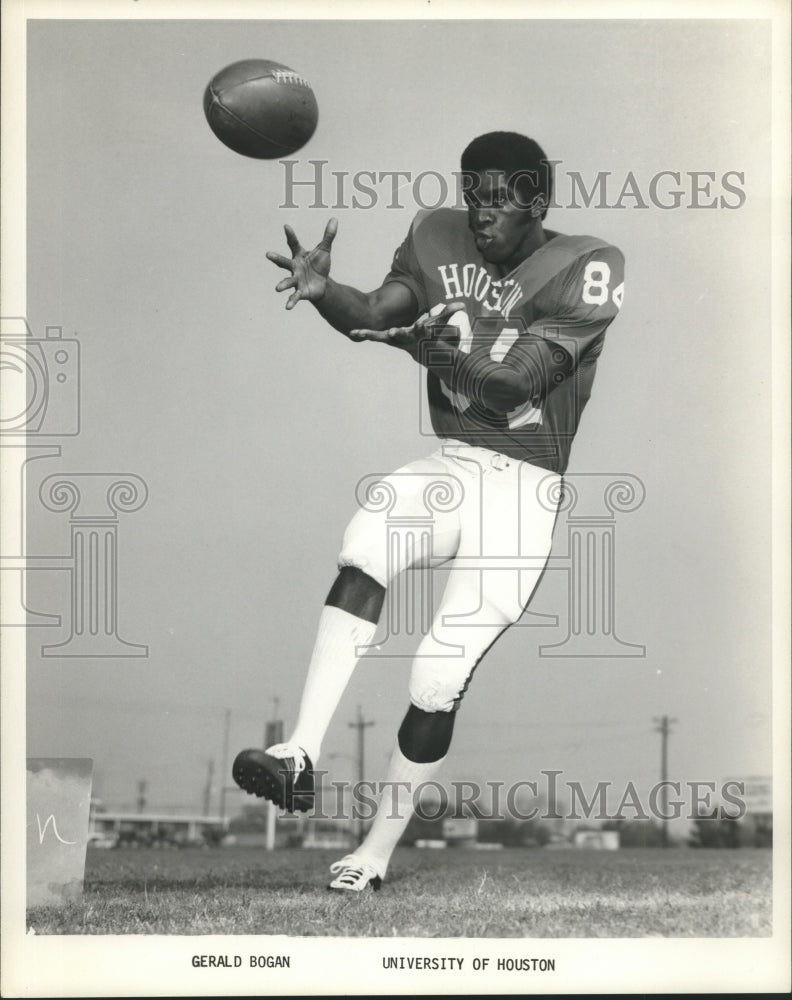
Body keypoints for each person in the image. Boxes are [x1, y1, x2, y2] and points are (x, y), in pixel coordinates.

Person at [233, 132, 625, 891]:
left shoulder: (588, 264)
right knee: (368, 539)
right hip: (454, 463)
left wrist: (430, 352)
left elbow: (513, 386)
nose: (480, 213)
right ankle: (300, 754)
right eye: (472, 195)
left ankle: (372, 855)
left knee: (437, 677)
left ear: (538, 200)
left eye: (498, 199)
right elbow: (373, 312)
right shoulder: (435, 236)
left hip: (525, 490)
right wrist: (326, 293)